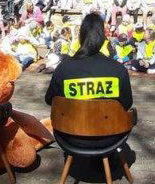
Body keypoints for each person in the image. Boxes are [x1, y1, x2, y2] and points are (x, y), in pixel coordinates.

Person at [45, 13, 133, 148]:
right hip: (110, 137)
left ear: (81, 36)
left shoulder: (64, 68)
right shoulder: (118, 69)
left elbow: (50, 100)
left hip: (70, 136)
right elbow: (127, 104)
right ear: (103, 37)